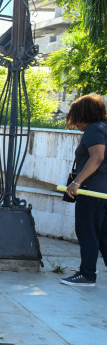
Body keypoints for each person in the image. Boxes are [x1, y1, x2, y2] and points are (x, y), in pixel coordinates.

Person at [62, 94, 107, 287]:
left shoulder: (93, 130)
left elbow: (96, 158)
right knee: (104, 235)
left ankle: (87, 274)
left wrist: (77, 182)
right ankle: (87, 269)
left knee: (86, 232)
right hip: (103, 192)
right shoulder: (104, 127)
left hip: (92, 191)